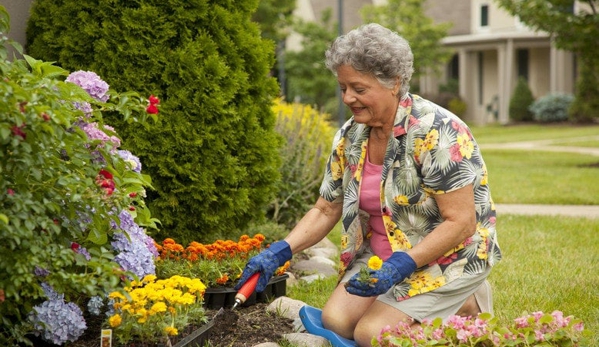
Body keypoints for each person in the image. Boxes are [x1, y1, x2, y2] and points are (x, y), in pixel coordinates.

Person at [235, 23, 501, 347]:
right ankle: (436, 309)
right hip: (381, 258)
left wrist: (402, 265)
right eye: (343, 87)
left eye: (358, 89)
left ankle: (467, 311)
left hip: (446, 256)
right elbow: (326, 207)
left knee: (372, 334)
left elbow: (462, 222)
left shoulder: (438, 131)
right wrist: (280, 251)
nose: (348, 98)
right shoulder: (351, 135)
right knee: (337, 320)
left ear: (394, 83)